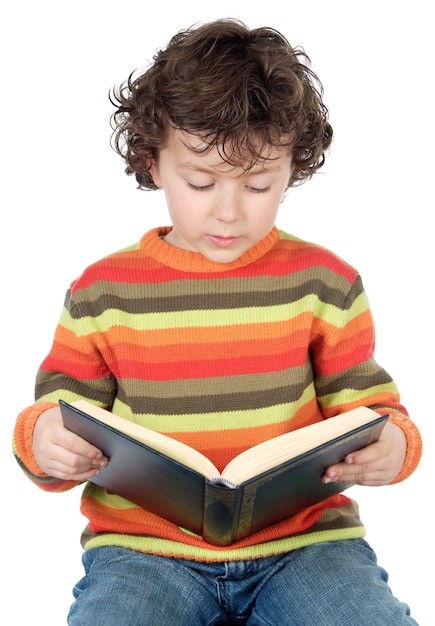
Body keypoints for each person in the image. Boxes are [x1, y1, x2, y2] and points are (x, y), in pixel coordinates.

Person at [13, 18, 422, 625]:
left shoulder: (326, 282)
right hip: (144, 552)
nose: (228, 212)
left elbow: (371, 410)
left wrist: (393, 447)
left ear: (292, 169)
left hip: (305, 548)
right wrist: (44, 444)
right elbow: (58, 413)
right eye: (200, 182)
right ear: (154, 164)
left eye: (259, 185)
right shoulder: (102, 292)